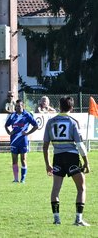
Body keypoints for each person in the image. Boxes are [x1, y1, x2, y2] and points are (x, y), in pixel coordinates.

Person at [43, 96, 90, 226]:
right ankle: (78, 219)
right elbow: (80, 145)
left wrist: (47, 164)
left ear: (59, 106)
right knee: (81, 188)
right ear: (72, 108)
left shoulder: (50, 122)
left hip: (57, 157)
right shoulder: (73, 122)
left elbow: (45, 146)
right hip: (71, 157)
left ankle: (56, 219)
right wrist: (86, 162)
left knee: (55, 189)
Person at [5, 99, 39, 183]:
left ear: (23, 106)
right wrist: (9, 132)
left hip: (23, 141)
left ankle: (23, 179)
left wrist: (27, 133)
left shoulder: (27, 115)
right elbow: (6, 125)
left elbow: (36, 126)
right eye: (16, 106)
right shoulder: (12, 115)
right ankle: (16, 179)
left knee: (23, 160)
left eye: (19, 106)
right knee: (14, 160)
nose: (17, 108)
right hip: (14, 141)